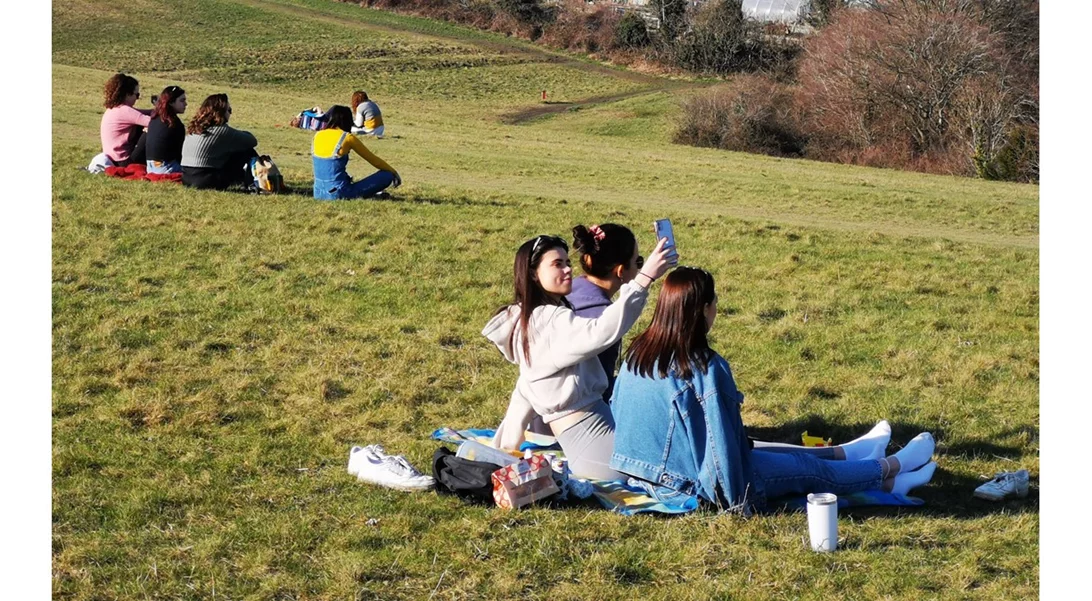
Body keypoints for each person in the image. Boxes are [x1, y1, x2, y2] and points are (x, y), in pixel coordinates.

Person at [610, 267, 937, 511]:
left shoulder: (639, 353)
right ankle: (894, 467)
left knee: (780, 454)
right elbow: (721, 447)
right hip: (689, 486)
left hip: (646, 478)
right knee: (810, 469)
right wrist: (737, 501)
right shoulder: (705, 368)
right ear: (702, 310)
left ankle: (883, 472)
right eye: (715, 303)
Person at [482, 234, 678, 480]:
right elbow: (601, 332)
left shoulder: (530, 318)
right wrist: (644, 278)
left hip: (591, 441)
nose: (567, 270)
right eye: (557, 264)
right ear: (533, 274)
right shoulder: (548, 322)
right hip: (597, 449)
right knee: (675, 453)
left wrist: (503, 451)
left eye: (567, 262)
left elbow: (524, 390)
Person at [566, 224, 643, 402]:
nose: (639, 268)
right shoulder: (604, 318)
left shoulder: (565, 293)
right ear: (621, 271)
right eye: (638, 262)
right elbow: (601, 386)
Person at [311, 105, 401, 200]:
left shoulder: (317, 135)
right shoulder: (347, 137)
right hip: (339, 193)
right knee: (386, 175)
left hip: (318, 192)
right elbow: (373, 160)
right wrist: (393, 172)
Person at [181, 94, 258, 190]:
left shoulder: (194, 129)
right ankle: (253, 182)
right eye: (229, 110)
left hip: (186, 178)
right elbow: (252, 141)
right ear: (221, 112)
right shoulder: (223, 131)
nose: (230, 114)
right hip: (206, 181)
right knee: (247, 151)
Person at [99, 73, 152, 166]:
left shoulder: (114, 109)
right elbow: (153, 123)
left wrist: (158, 110)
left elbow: (143, 113)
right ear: (128, 94)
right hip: (124, 161)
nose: (137, 98)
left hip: (113, 159)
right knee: (152, 130)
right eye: (137, 95)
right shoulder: (125, 111)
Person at [145, 85, 188, 175]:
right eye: (182, 100)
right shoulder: (175, 124)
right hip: (166, 168)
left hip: (150, 167)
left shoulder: (155, 118)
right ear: (171, 102)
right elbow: (179, 154)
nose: (186, 104)